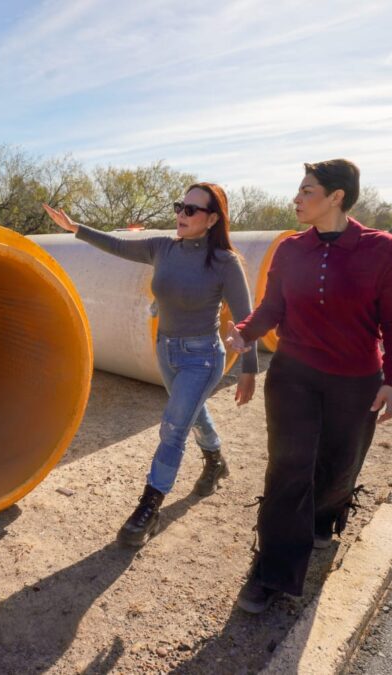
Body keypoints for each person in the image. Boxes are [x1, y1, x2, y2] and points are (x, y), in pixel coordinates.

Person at [225, 159, 392, 613]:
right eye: (299, 189)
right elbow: (272, 307)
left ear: (337, 197)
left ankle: (325, 520)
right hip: (294, 376)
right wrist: (245, 332)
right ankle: (271, 572)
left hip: (356, 381)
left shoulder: (382, 249)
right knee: (289, 470)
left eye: (307, 191)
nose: (296, 198)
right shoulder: (290, 250)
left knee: (338, 465)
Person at [42, 183, 258, 547]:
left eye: (191, 210)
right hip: (166, 351)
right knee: (192, 412)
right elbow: (118, 246)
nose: (181, 215)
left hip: (202, 357)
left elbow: (246, 318)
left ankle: (148, 508)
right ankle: (215, 458)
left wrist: (249, 369)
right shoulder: (162, 248)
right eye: (180, 206)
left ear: (213, 218)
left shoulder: (225, 262)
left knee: (173, 426)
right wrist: (76, 228)